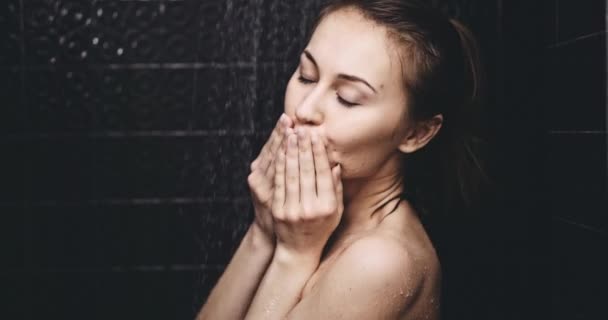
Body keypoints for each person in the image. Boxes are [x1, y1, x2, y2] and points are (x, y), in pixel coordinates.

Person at [197, 0, 486, 319]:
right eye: (306, 77)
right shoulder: (308, 224)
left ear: (416, 133)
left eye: (347, 99)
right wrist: (263, 230)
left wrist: (293, 256)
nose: (304, 110)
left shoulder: (380, 262)